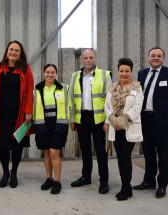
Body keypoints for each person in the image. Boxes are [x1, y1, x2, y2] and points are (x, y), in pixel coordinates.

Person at [133, 47, 168, 198]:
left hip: (162, 122)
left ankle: (162, 184)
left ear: (163, 59)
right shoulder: (142, 73)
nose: (156, 58)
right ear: (148, 58)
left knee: (163, 154)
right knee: (148, 152)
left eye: (159, 56)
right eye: (153, 55)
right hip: (144, 119)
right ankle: (149, 180)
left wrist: (166, 112)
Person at [0, 40, 34, 188]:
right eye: (11, 49)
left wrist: (28, 111)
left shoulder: (25, 68)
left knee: (17, 145)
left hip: (19, 114)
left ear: (20, 53)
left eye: (17, 50)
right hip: (1, 114)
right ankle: (5, 173)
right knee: (3, 145)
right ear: (7, 51)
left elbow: (29, 91)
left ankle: (14, 172)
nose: (14, 52)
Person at [69, 49, 112, 194]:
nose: (88, 60)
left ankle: (104, 181)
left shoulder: (105, 75)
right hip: (82, 118)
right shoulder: (75, 76)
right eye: (86, 58)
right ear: (82, 60)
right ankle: (86, 177)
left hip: (98, 119)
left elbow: (109, 100)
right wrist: (73, 119)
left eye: (91, 57)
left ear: (95, 59)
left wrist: (107, 121)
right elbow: (71, 99)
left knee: (100, 150)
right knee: (85, 149)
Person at [104, 58, 144, 201]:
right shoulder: (113, 87)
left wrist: (122, 120)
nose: (124, 73)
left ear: (131, 72)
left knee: (125, 157)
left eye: (127, 71)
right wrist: (112, 119)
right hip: (116, 128)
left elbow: (138, 107)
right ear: (118, 72)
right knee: (120, 158)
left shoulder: (137, 88)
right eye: (122, 71)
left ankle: (126, 188)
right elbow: (107, 105)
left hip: (129, 127)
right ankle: (125, 187)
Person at [33, 64, 71, 194]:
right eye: (47, 72)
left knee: (54, 153)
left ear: (56, 74)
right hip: (42, 125)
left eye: (52, 72)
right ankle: (49, 178)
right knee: (47, 153)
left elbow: (70, 106)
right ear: (43, 73)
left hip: (58, 125)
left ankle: (57, 181)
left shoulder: (64, 88)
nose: (50, 74)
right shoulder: (36, 89)